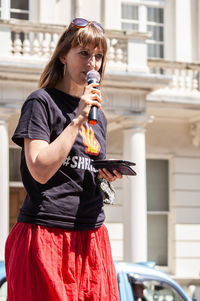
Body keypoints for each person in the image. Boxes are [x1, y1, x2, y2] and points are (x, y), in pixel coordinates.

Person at [5, 18, 122, 301]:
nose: (92, 63)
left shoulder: (99, 117)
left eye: (98, 56)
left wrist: (104, 176)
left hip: (90, 237)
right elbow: (40, 169)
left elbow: (81, 170)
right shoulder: (41, 102)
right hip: (46, 232)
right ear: (62, 56)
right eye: (83, 53)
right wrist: (77, 120)